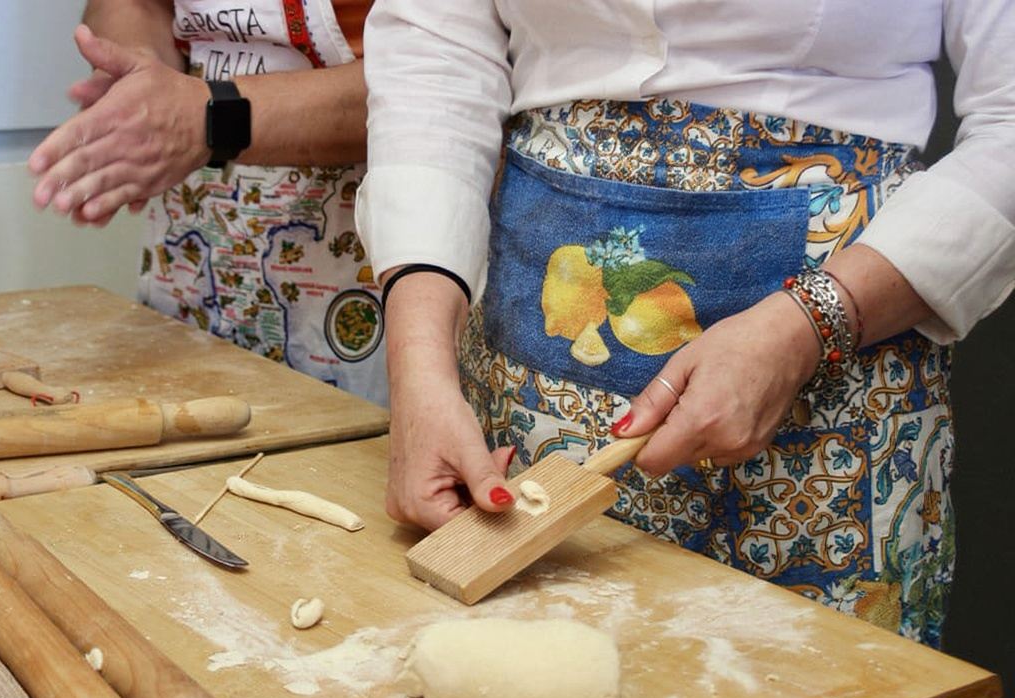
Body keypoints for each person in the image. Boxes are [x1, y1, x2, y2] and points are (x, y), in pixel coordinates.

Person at [357, 2, 1015, 647]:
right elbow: (433, 54)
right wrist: (418, 370)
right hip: (525, 376)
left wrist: (810, 323)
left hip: (832, 380)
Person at [28, 0, 386, 405]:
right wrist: (141, 70)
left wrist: (209, 118)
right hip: (199, 248)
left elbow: (441, 80)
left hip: (361, 267)